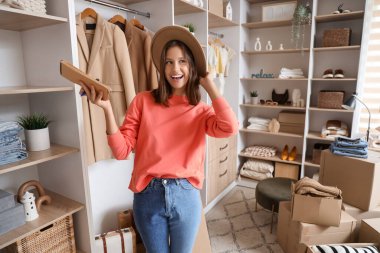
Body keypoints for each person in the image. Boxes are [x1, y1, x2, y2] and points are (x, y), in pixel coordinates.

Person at [80, 25, 238, 253]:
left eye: (183, 61)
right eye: (169, 62)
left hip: (186, 195)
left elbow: (230, 127)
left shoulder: (201, 111)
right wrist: (106, 109)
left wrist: (209, 84)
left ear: (192, 66)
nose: (175, 68)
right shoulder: (142, 101)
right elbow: (121, 151)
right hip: (148, 196)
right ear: (162, 67)